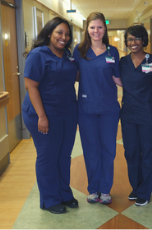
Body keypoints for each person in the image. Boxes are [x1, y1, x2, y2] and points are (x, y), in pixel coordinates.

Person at [22, 17, 79, 214]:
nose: (64, 37)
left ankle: (64, 193)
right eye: (59, 33)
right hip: (43, 113)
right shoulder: (38, 55)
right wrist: (42, 116)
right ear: (49, 33)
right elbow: (31, 86)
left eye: (67, 34)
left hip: (67, 112)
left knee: (64, 155)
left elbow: (74, 75)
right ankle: (50, 198)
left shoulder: (68, 55)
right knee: (48, 156)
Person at [73, 12, 122, 204]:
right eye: (92, 27)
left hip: (109, 108)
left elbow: (118, 78)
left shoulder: (113, 51)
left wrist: (140, 83)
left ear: (105, 29)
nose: (96, 31)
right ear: (87, 29)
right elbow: (73, 75)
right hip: (86, 109)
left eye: (100, 27)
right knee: (91, 149)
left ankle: (105, 189)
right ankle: (93, 189)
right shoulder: (79, 51)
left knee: (109, 149)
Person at [120, 25, 152, 206]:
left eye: (137, 38)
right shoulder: (122, 62)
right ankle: (136, 187)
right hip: (129, 113)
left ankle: (144, 191)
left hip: (149, 113)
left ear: (144, 40)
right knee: (131, 153)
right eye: (130, 39)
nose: (134, 42)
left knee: (148, 153)